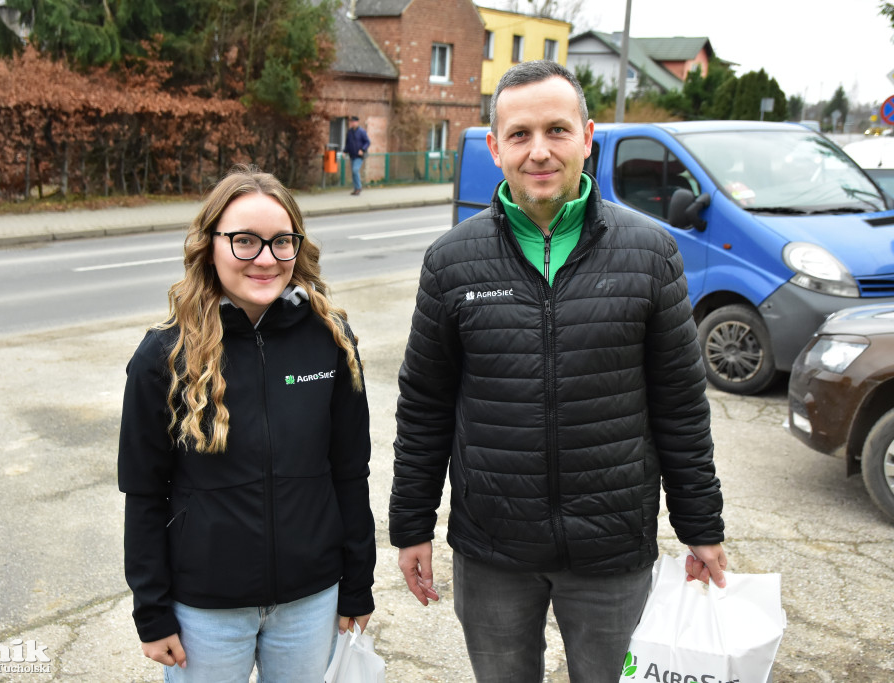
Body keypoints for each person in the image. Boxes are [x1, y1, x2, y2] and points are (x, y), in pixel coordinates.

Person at [388, 60, 727, 683]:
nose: (539, 151)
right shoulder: (451, 261)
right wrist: (412, 526)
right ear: (495, 148)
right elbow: (425, 405)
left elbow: (679, 403)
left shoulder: (650, 253)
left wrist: (700, 526)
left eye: (557, 130)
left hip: (612, 548)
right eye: (519, 134)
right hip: (492, 549)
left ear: (586, 137)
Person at [118, 165, 375, 682]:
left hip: (311, 599)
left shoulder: (330, 339)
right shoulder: (163, 356)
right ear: (210, 245)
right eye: (244, 241)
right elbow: (144, 493)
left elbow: (350, 472)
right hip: (204, 609)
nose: (265, 258)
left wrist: (357, 583)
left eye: (282, 241)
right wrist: (152, 611)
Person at [344, 116, 370, 195]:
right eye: (351, 122)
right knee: (354, 172)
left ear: (357, 122)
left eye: (354, 122)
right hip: (352, 155)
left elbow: (367, 142)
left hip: (359, 156)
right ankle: (356, 189)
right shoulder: (350, 132)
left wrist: (362, 149)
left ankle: (359, 187)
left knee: (355, 170)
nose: (352, 123)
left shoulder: (362, 131)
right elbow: (347, 143)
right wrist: (344, 152)